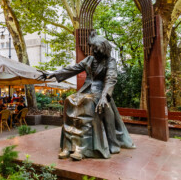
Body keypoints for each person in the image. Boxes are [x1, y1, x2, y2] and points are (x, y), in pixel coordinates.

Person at [38, 31, 135, 160]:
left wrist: (104, 97)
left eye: (96, 50)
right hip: (86, 91)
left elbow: (110, 79)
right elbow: (73, 68)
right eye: (93, 49)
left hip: (100, 92)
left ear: (103, 50)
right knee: (68, 100)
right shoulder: (89, 59)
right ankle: (68, 146)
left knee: (91, 106)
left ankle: (86, 147)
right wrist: (53, 74)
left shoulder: (110, 61)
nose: (94, 52)